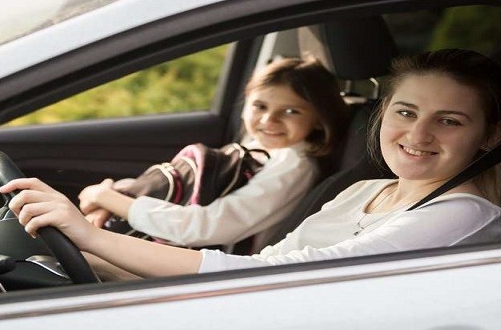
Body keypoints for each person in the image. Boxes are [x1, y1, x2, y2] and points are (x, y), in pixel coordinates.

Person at [0, 49, 501, 279]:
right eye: (405, 111)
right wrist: (91, 258)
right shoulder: (363, 191)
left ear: (488, 136)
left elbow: (280, 276)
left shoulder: (463, 214)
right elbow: (266, 268)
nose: (418, 135)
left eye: (449, 121)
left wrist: (93, 238)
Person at [75, 57, 349, 250]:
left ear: (318, 119)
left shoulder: (292, 165)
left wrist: (107, 197)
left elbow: (204, 227)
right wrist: (114, 199)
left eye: (291, 111)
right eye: (260, 106)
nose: (268, 121)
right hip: (176, 244)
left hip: (207, 263)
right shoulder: (261, 147)